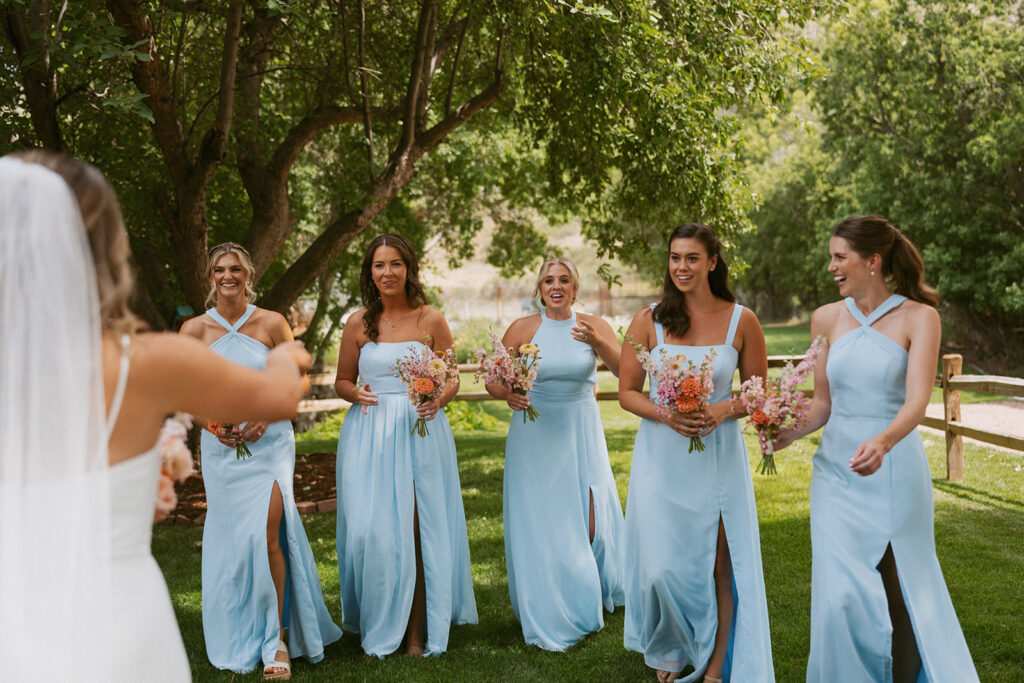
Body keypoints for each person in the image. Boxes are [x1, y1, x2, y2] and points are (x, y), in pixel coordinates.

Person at [0, 151, 312, 682]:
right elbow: (281, 395)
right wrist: (285, 354)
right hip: (120, 623)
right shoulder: (147, 360)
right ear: (104, 248)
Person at [774, 215, 979, 682]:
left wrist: (884, 441)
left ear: (872, 261)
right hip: (835, 473)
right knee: (837, 594)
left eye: (839, 257)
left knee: (901, 588)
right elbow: (823, 403)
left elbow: (917, 402)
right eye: (831, 257)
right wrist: (788, 432)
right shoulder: (826, 318)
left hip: (893, 468)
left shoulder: (920, 317)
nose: (831, 267)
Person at [619, 223, 773, 683]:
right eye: (674, 258)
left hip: (718, 455)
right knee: (662, 567)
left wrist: (724, 409)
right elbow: (628, 392)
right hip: (661, 459)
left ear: (712, 261)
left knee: (719, 564)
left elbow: (758, 392)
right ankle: (672, 646)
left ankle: (714, 664)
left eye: (691, 258)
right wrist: (667, 415)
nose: (681, 267)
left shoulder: (742, 320)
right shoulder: (648, 320)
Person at [180, 243, 342, 678]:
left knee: (269, 535)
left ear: (249, 275)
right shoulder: (194, 330)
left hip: (269, 445)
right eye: (219, 269)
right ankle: (238, 629)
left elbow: (295, 384)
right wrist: (213, 424)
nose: (227, 276)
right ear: (210, 277)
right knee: (235, 542)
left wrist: (263, 415)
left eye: (235, 269)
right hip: (220, 449)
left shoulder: (272, 323)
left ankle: (278, 642)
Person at [333, 233, 477, 657]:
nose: (387, 272)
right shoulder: (358, 323)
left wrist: (438, 398)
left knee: (417, 530)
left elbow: (452, 376)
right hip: (369, 433)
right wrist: (354, 394)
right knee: (372, 532)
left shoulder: (430, 319)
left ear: (408, 269)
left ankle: (417, 634)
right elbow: (341, 380)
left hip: (419, 428)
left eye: (395, 264)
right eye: (379, 265)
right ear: (370, 273)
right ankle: (378, 618)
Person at [486, 257, 625, 650]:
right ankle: (551, 601)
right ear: (540, 288)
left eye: (564, 280)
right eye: (549, 280)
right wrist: (508, 394)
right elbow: (495, 379)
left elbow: (622, 370)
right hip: (535, 432)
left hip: (581, 428)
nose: (556, 286)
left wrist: (597, 342)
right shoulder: (523, 328)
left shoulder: (594, 324)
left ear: (575, 287)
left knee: (591, 522)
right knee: (544, 519)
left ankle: (590, 587)